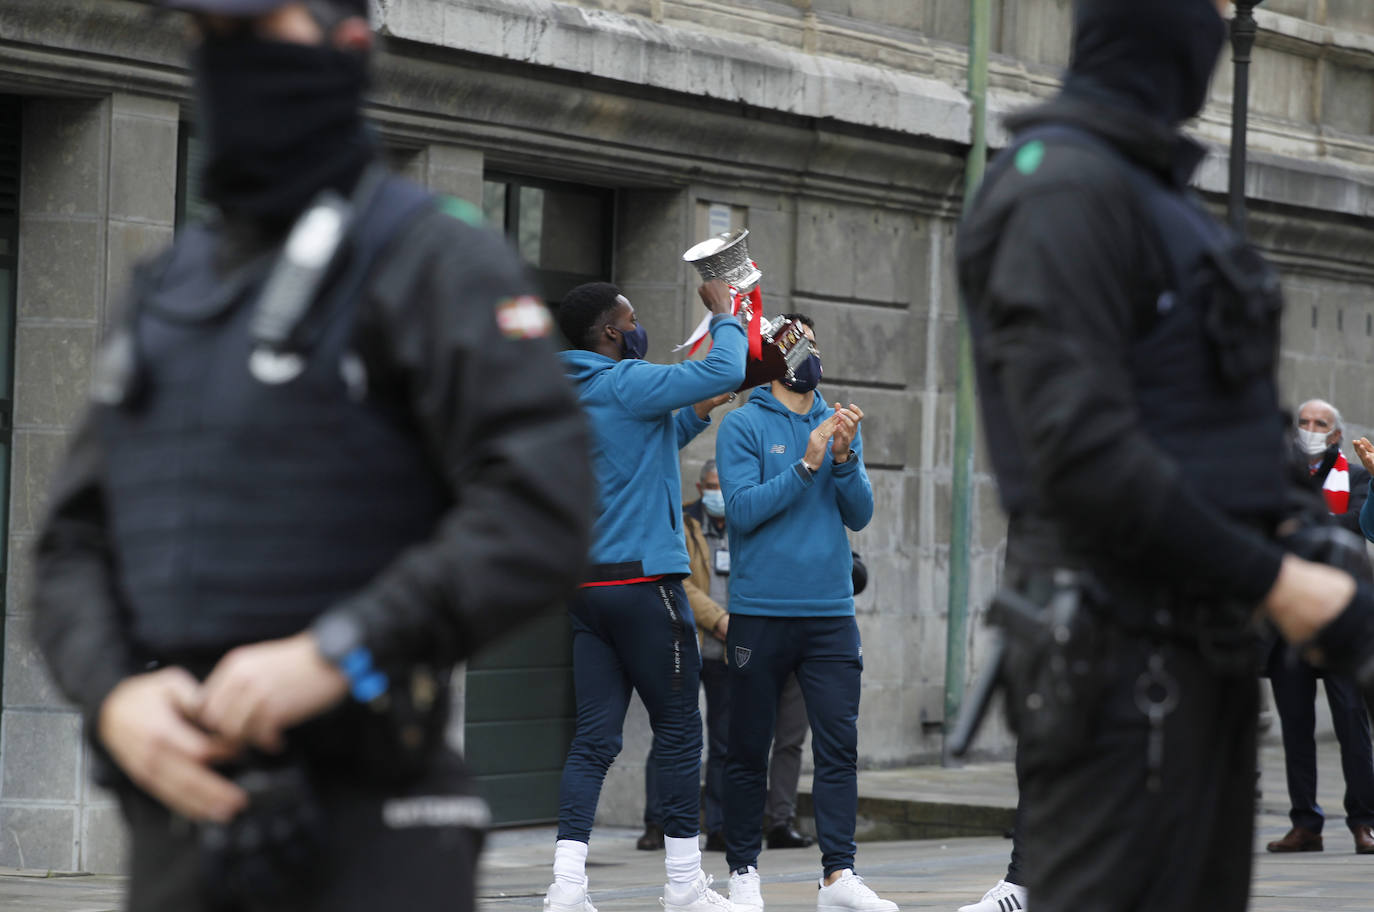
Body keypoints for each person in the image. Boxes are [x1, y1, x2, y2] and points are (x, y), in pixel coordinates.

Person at [31, 2, 593, 911]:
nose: (226, 58)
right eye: (208, 36)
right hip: (185, 838)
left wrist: (340, 650)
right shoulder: (166, 293)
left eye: (256, 30)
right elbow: (70, 547)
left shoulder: (435, 260)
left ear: (349, 42)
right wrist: (114, 699)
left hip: (374, 830)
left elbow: (541, 506)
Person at [956, 0, 1374, 909]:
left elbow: (1217, 422)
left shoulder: (1156, 200)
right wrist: (1280, 582)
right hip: (1116, 670)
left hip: (1201, 663)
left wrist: (1307, 535)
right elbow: (1082, 453)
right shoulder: (1056, 188)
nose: (1220, 26)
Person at [550, 281, 745, 912]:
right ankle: (685, 885)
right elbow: (728, 364)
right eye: (631, 319)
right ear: (610, 332)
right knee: (682, 729)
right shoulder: (625, 380)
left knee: (593, 741)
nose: (639, 329)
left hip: (587, 591)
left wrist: (698, 408)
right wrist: (725, 315)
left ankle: (566, 887)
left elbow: (641, 447)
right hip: (646, 589)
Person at [717, 314, 897, 912]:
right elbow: (741, 511)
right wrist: (807, 464)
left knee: (839, 745)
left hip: (829, 613)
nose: (809, 355)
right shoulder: (742, 425)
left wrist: (843, 458)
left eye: (814, 344)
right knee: (747, 748)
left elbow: (861, 514)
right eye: (797, 346)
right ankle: (743, 875)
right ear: (774, 358)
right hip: (760, 612)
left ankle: (838, 876)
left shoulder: (836, 420)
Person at [639, 462, 816, 854]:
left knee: (722, 740)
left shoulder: (745, 521)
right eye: (712, 486)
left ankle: (717, 826)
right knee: (670, 735)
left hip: (729, 652)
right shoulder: (684, 524)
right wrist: (719, 620)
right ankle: (655, 823)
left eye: (723, 486)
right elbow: (677, 578)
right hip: (685, 642)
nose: (718, 493)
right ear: (701, 487)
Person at [1265, 400, 1374, 854]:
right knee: (1295, 723)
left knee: (1351, 720)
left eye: (1320, 424)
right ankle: (1305, 822)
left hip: (1339, 616)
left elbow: (1353, 526)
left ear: (1335, 435)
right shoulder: (1278, 475)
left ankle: (1363, 821)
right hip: (1289, 620)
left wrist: (1302, 526)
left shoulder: (1358, 476)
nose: (1309, 429)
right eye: (1304, 422)